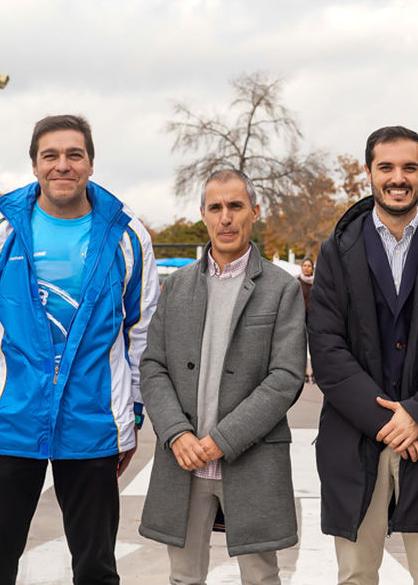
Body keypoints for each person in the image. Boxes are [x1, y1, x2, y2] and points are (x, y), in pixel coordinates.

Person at [0, 114, 159, 585]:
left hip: (92, 422)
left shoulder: (128, 235)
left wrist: (131, 414)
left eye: (74, 155)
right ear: (34, 164)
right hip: (9, 422)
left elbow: (143, 332)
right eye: (51, 155)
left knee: (96, 568)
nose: (62, 166)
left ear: (90, 163)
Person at [308, 125, 418, 585]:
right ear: (368, 172)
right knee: (356, 576)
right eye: (386, 167)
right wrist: (393, 423)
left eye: (410, 167)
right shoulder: (335, 252)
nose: (398, 177)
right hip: (354, 440)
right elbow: (326, 349)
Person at [138, 169, 306, 584]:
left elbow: (285, 377)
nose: (226, 217)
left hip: (249, 458)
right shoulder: (176, 287)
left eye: (235, 206)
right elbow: (153, 365)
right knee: (183, 577)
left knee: (261, 577)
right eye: (216, 207)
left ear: (254, 212)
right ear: (204, 215)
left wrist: (222, 440)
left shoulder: (281, 288)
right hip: (184, 460)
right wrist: (177, 433)